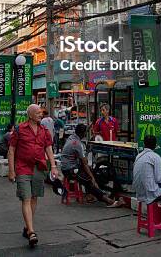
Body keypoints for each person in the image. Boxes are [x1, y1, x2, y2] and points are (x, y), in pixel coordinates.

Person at [8, 104, 58, 248]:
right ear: (30, 115)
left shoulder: (44, 130)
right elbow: (11, 150)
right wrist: (11, 171)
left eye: (41, 113)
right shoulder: (19, 129)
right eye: (37, 113)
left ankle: (27, 226)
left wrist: (53, 166)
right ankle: (31, 232)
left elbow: (48, 148)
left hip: (39, 167)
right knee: (26, 198)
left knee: (34, 197)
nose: (40, 115)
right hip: (23, 168)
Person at [60, 124, 123, 207]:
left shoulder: (71, 137)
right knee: (89, 181)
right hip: (70, 169)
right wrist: (92, 178)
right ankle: (109, 201)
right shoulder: (77, 144)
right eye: (85, 133)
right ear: (82, 134)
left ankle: (92, 195)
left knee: (92, 172)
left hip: (68, 166)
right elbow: (84, 163)